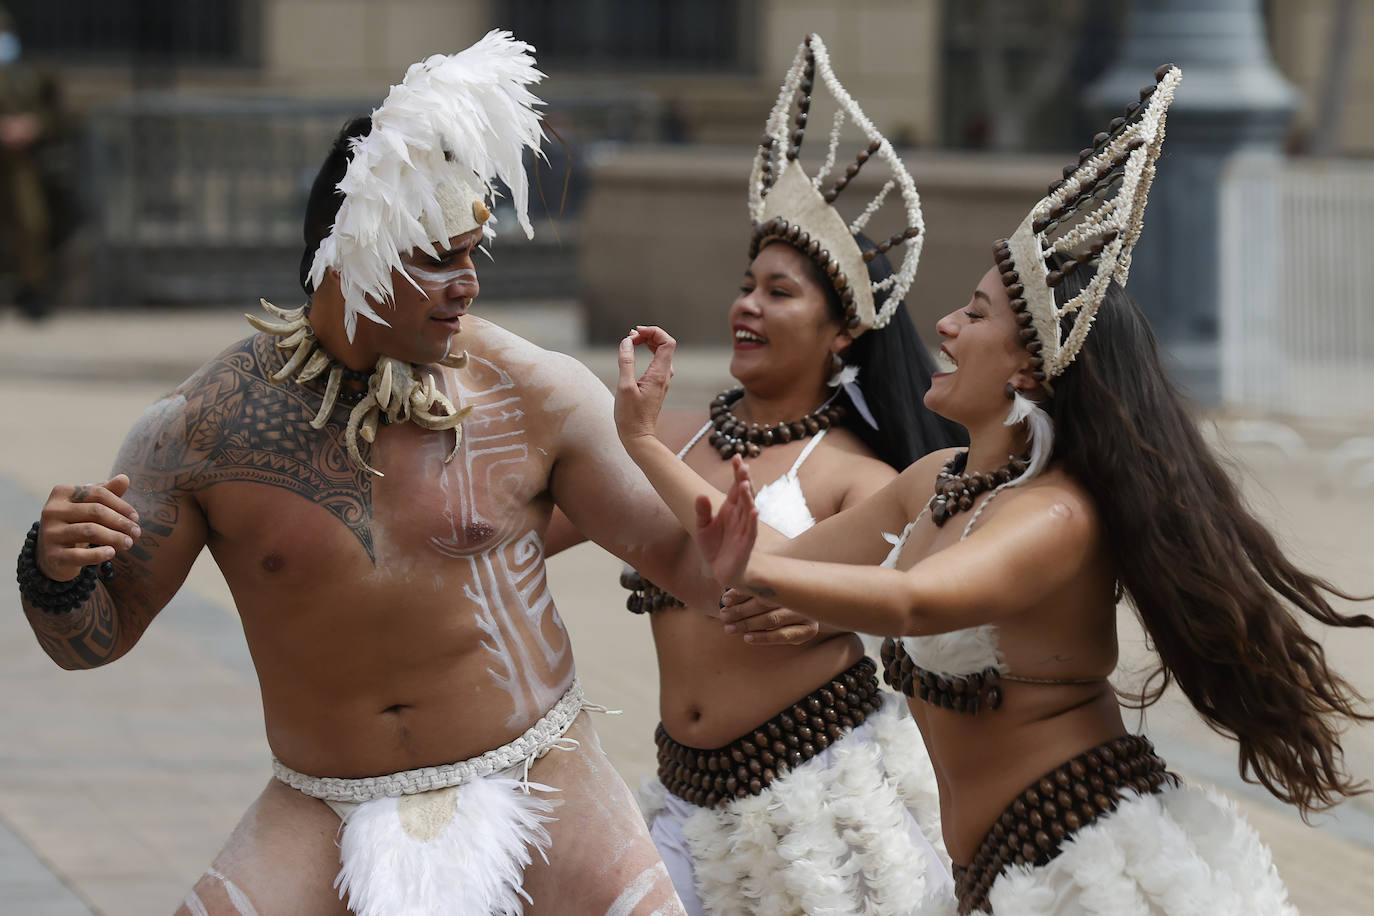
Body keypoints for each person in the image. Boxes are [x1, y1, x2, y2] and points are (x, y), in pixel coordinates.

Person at [614, 64, 1374, 915]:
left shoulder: (1056, 514)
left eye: (975, 317)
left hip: (1089, 870)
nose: (943, 325)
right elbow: (782, 559)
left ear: (1030, 367)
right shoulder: (935, 482)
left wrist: (743, 546)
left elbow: (914, 604)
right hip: (993, 878)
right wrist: (647, 450)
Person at [16, 33, 709, 916]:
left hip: (539, 770)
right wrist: (55, 569)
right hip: (322, 801)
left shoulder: (530, 392)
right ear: (349, 260)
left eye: (472, 254)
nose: (467, 285)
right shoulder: (201, 429)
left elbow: (687, 565)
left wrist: (732, 537)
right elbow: (95, 640)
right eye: (435, 259)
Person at [550, 33, 963, 915]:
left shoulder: (856, 475)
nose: (747, 305)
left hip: (815, 803)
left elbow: (769, 573)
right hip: (679, 798)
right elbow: (529, 527)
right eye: (748, 285)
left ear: (843, 331)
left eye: (780, 293)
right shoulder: (686, 437)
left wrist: (645, 448)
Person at [0, 5, 68, 319]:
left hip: (21, 163)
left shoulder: (29, 72)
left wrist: (33, 125)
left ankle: (33, 292)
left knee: (32, 224)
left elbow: (60, 115)